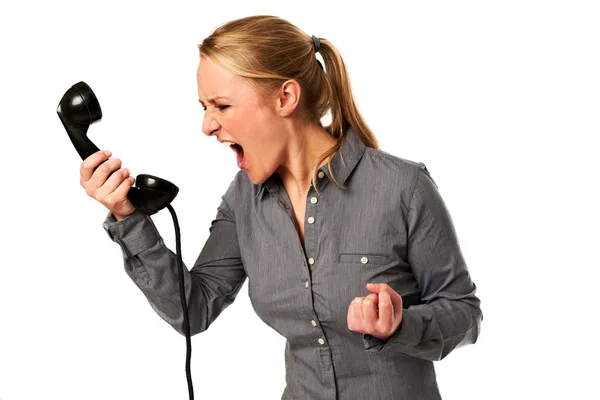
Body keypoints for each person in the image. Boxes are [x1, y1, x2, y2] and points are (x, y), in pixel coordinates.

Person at [80, 15, 483, 400]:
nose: (207, 125)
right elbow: (193, 309)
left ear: (285, 97)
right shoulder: (243, 200)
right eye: (203, 107)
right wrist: (127, 217)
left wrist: (402, 325)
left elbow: (465, 313)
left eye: (221, 105)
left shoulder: (402, 187)